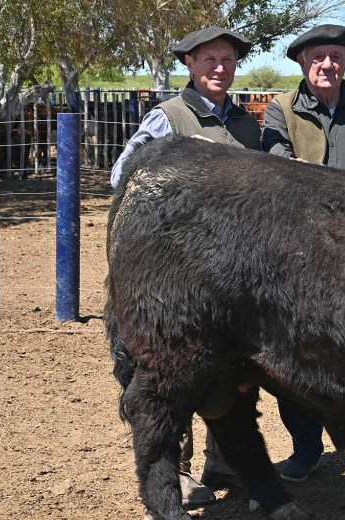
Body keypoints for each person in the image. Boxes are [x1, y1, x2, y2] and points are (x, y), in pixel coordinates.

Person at [109, 26, 261, 506]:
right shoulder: (169, 117)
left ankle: (225, 459)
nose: (220, 68)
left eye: (228, 60)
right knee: (177, 365)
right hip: (178, 268)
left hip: (234, 265)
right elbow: (123, 175)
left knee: (234, 362)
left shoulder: (246, 124)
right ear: (190, 65)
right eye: (210, 59)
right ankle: (178, 469)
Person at [260, 23, 345, 486]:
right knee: (296, 351)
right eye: (317, 57)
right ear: (302, 62)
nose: (327, 64)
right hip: (301, 250)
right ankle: (305, 447)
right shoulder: (281, 109)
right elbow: (278, 169)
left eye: (336, 56)